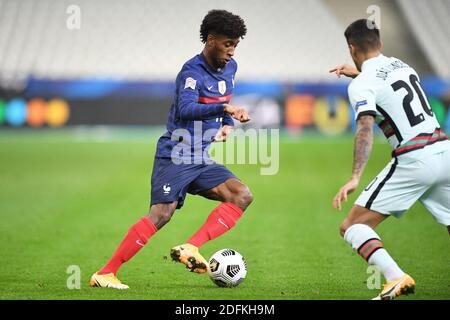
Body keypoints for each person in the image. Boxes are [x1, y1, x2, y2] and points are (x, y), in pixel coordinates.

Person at [90, 9, 252, 289]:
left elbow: (224, 97)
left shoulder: (231, 68)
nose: (232, 51)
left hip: (199, 155)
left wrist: (227, 122)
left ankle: (191, 247)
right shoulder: (191, 72)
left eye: (236, 44)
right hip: (177, 151)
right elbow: (187, 109)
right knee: (162, 214)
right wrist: (224, 108)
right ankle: (106, 273)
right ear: (211, 40)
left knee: (241, 195)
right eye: (228, 44)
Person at [330, 19, 450, 300]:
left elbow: (364, 128)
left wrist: (355, 177)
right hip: (444, 151)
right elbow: (386, 85)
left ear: (351, 48)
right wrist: (357, 75)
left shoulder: (362, 85)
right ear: (380, 43)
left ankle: (396, 278)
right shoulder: (402, 66)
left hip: (415, 159)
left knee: (352, 226)